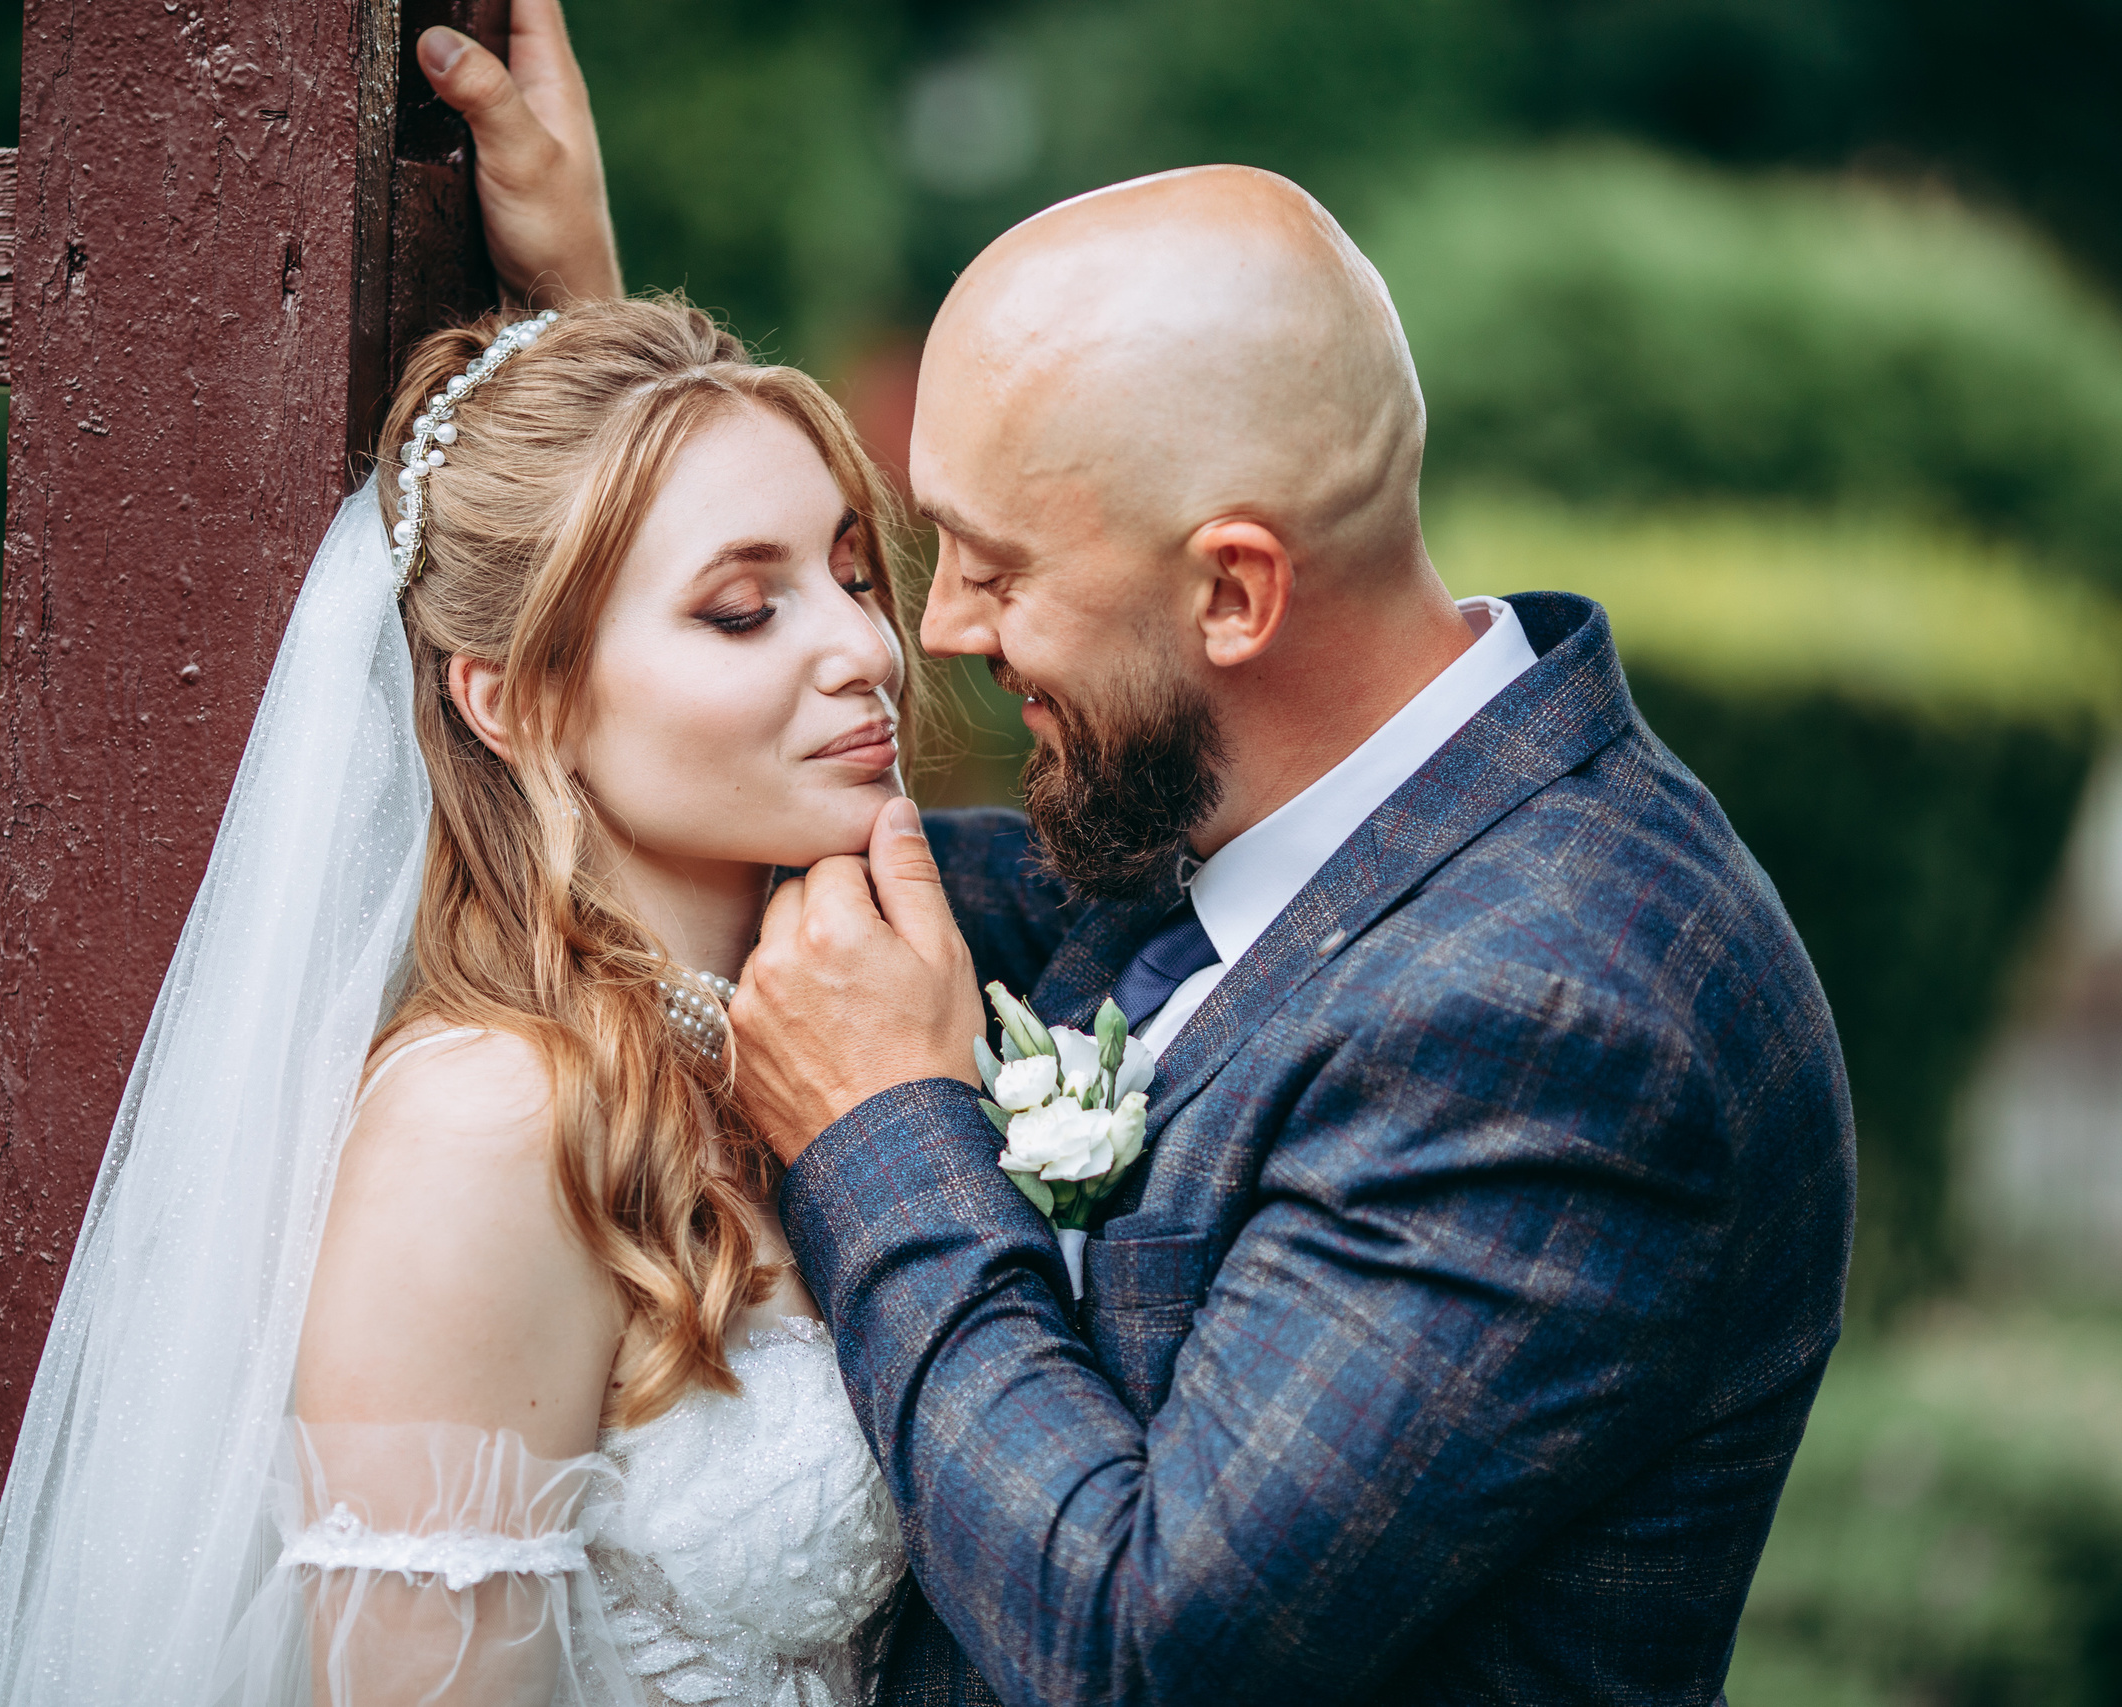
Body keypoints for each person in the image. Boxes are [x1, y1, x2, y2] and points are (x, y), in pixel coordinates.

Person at [420, 4, 1856, 1703]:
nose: (931, 633)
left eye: (994, 566)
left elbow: (1140, 1643)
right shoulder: (1229, 814)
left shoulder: (1560, 1019)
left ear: (1234, 593)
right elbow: (723, 786)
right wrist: (590, 363)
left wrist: (890, 1134)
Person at [0, 294, 920, 1707]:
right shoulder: (488, 1123)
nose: (865, 652)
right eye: (742, 610)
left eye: (853, 575)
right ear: (513, 702)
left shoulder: (771, 1045)